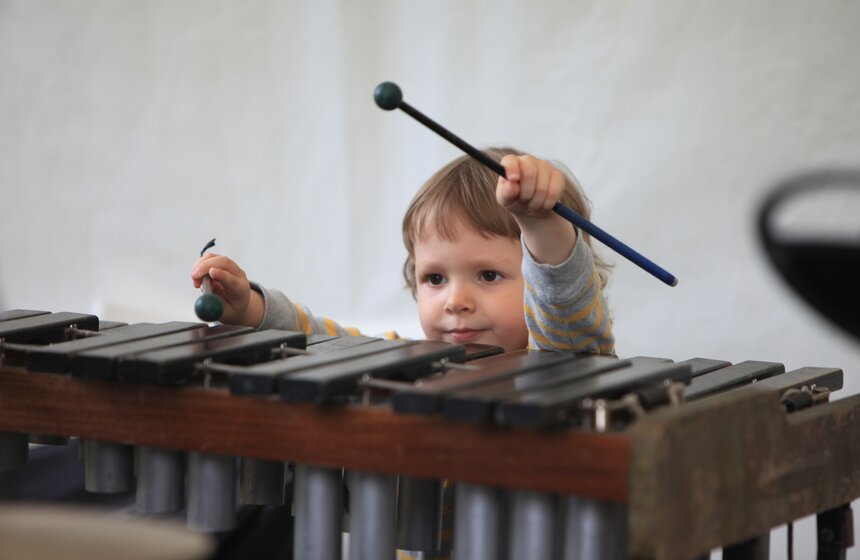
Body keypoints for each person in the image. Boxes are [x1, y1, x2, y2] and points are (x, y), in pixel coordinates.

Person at [191, 147, 614, 356]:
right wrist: (248, 311)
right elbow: (316, 339)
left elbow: (566, 318)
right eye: (435, 278)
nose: (455, 302)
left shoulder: (565, 358)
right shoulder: (405, 364)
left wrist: (542, 229)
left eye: (487, 275)